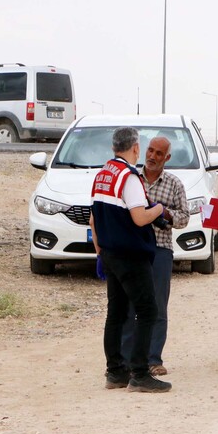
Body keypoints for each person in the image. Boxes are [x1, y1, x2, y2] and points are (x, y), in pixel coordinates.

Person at [89, 127, 171, 393]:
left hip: (109, 253)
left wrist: (100, 252)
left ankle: (115, 372)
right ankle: (140, 373)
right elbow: (139, 217)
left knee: (116, 312)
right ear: (135, 148)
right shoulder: (129, 176)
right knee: (147, 310)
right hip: (131, 254)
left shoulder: (103, 174)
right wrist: (158, 209)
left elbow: (93, 219)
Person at [119, 136, 190, 377]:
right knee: (129, 305)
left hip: (160, 249)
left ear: (167, 158)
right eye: (150, 150)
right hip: (132, 248)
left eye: (159, 153)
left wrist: (163, 213)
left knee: (158, 305)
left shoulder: (174, 184)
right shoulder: (130, 179)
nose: (152, 156)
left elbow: (184, 218)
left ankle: (153, 359)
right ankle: (127, 361)